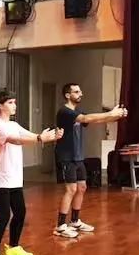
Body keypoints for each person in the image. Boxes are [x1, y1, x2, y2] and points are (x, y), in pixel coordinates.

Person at [0, 89, 62, 255]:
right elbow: (16, 140)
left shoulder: (14, 124)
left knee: (20, 212)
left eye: (14, 102)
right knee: (4, 216)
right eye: (10, 102)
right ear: (0, 105)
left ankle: (13, 247)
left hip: (13, 177)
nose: (14, 105)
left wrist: (49, 137)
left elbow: (28, 135)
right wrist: (39, 138)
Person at [54, 84, 128, 238]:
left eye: (80, 91)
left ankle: (75, 221)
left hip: (78, 157)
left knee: (82, 187)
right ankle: (60, 226)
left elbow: (96, 120)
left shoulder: (78, 111)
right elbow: (86, 118)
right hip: (66, 157)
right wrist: (111, 113)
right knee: (71, 189)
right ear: (67, 95)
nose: (80, 94)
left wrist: (117, 115)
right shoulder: (64, 112)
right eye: (76, 92)